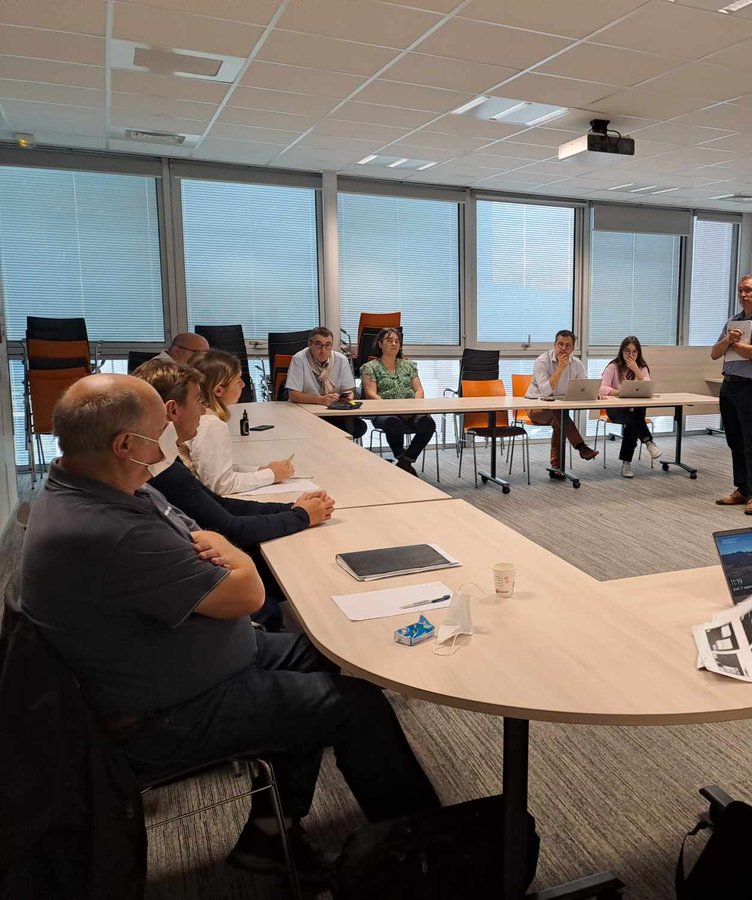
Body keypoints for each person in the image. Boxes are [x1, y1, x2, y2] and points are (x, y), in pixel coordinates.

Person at [22, 374, 439, 880]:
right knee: (357, 707)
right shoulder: (108, 529)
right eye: (159, 436)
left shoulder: (104, 486)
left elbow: (198, 532)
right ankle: (428, 858)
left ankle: (271, 830)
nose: (165, 452)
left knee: (326, 656)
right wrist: (236, 559)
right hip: (165, 714)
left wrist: (221, 551)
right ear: (126, 444)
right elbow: (246, 591)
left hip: (190, 661)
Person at [133, 358, 335, 631]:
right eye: (197, 401)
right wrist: (300, 517)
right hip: (210, 584)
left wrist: (291, 508)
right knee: (291, 569)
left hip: (199, 569)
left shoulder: (164, 461)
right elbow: (230, 526)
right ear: (172, 411)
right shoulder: (163, 471)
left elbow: (216, 502)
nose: (203, 409)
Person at [710, 274, 752, 516]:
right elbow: (715, 353)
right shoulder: (733, 322)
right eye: (740, 290)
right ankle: (741, 488)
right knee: (734, 440)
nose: (743, 295)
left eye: (748, 290)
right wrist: (729, 339)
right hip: (730, 385)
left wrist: (734, 344)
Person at [187, 349, 294, 496]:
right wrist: (270, 475)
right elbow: (220, 484)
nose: (243, 385)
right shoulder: (211, 425)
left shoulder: (199, 417)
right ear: (219, 390)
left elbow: (217, 470)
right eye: (238, 381)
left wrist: (261, 471)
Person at [359, 327, 436, 477]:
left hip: (411, 411)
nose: (394, 344)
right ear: (380, 344)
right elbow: (371, 394)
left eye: (397, 341)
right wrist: (393, 409)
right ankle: (402, 457)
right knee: (393, 423)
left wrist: (413, 408)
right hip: (384, 412)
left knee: (428, 423)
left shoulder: (408, 365)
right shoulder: (370, 367)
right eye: (389, 341)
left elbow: (419, 390)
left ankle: (405, 461)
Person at [524, 329, 599, 478]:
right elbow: (545, 392)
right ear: (554, 345)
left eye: (567, 345)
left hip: (557, 410)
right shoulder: (542, 361)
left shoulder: (577, 364)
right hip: (536, 409)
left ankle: (556, 467)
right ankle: (581, 447)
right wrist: (559, 369)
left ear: (573, 348)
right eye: (560, 344)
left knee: (560, 416)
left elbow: (584, 386)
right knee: (559, 412)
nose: (563, 348)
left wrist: (596, 393)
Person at [285, 326, 367, 439]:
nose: (323, 350)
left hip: (333, 411)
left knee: (358, 427)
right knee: (321, 432)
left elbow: (348, 390)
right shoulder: (299, 359)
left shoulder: (341, 360)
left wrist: (346, 396)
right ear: (310, 344)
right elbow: (293, 395)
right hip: (307, 412)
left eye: (327, 345)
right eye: (318, 344)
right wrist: (320, 400)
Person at [598, 335, 661, 479]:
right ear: (621, 351)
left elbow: (647, 386)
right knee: (635, 418)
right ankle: (648, 442)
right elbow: (601, 388)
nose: (630, 355)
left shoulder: (642, 368)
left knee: (633, 420)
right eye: (627, 351)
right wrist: (618, 392)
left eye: (634, 352)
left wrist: (636, 369)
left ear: (638, 353)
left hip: (635, 410)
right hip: (616, 410)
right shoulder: (613, 366)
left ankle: (627, 462)